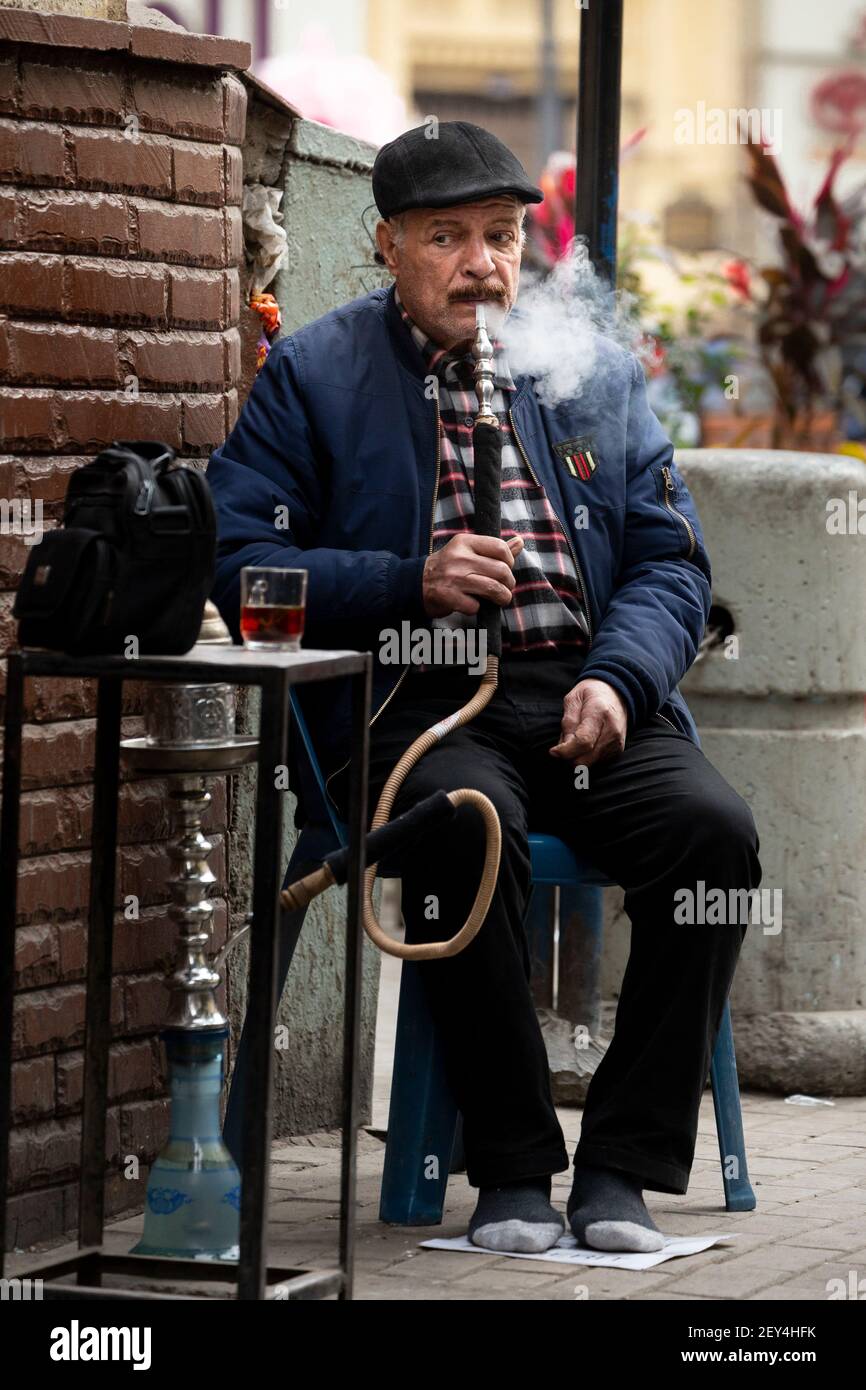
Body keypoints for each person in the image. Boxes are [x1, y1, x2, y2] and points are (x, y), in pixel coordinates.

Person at [207, 121, 762, 1257]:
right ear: (388, 246)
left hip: (585, 699)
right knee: (465, 827)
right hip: (414, 704)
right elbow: (236, 560)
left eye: (501, 237)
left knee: (714, 837)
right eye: (447, 237)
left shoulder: (590, 371)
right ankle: (510, 1163)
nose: (481, 264)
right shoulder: (317, 373)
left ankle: (619, 1166)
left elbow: (669, 563)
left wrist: (617, 679)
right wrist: (403, 580)